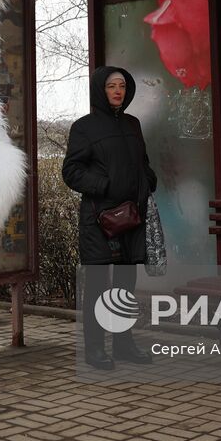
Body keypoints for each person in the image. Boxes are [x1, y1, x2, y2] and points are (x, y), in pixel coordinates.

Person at [62, 66, 157, 370]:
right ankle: (94, 348)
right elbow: (72, 171)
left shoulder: (133, 124)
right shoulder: (84, 128)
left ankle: (124, 343)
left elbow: (142, 163)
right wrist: (104, 186)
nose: (118, 91)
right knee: (98, 285)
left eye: (122, 86)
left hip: (131, 217)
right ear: (99, 91)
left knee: (125, 285)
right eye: (111, 86)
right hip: (100, 220)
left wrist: (148, 180)